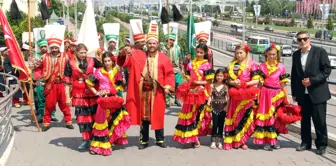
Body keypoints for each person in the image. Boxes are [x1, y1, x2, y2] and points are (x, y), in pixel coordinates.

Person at [117, 20, 175, 150]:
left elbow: (170, 75)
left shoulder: (164, 58)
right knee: (144, 117)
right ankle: (143, 141)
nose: (152, 45)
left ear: (157, 44)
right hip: (142, 93)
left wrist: (168, 86)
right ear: (146, 44)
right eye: (149, 43)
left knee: (158, 115)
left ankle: (160, 139)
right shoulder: (137, 54)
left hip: (157, 93)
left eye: (154, 43)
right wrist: (123, 52)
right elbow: (123, 63)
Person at [291, 31, 331, 155]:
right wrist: (294, 92)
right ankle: (305, 142)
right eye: (299, 39)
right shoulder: (296, 54)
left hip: (317, 92)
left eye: (304, 39)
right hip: (303, 94)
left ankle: (321, 145)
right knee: (304, 119)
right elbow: (294, 75)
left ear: (310, 39)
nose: (302, 41)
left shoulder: (320, 52)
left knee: (320, 121)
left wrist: (312, 81)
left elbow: (326, 70)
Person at [86, 51, 131, 156]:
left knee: (114, 119)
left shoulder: (117, 71)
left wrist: (111, 91)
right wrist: (96, 92)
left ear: (112, 60)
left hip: (114, 99)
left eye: (109, 61)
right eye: (105, 61)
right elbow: (89, 83)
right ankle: (97, 147)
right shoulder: (98, 72)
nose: (107, 63)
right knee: (101, 122)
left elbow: (120, 87)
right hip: (102, 101)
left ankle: (109, 141)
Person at [172, 43, 214, 148]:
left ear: (205, 53)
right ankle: (190, 137)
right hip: (191, 92)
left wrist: (198, 83)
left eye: (201, 52)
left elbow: (209, 82)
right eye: (198, 52)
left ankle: (196, 138)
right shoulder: (191, 64)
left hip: (201, 92)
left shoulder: (207, 65)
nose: (199, 54)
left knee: (198, 116)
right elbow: (187, 75)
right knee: (189, 115)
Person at [63, 43, 102, 149]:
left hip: (92, 92)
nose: (83, 54)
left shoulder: (93, 60)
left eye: (85, 52)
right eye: (81, 53)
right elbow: (66, 82)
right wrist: (67, 97)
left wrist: (96, 78)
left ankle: (97, 139)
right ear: (76, 52)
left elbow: (103, 70)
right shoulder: (69, 63)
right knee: (82, 118)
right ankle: (86, 140)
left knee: (95, 116)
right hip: (79, 94)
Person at [253, 43, 290, 151]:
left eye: (274, 54)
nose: (272, 56)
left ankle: (274, 140)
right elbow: (260, 83)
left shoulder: (281, 67)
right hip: (265, 93)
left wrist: (287, 97)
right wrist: (257, 95)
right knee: (266, 118)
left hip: (277, 95)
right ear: (266, 54)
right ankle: (267, 141)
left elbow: (283, 83)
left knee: (275, 118)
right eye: (270, 54)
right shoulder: (262, 66)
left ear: (277, 55)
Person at [224, 44, 260, 150]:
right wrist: (233, 82)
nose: (239, 55)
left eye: (241, 53)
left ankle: (242, 140)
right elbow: (226, 80)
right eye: (237, 53)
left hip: (246, 95)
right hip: (234, 96)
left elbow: (257, 80)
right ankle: (233, 139)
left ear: (246, 53)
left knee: (244, 117)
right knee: (234, 117)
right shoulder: (232, 65)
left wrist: (245, 84)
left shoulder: (252, 65)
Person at [39, 25, 74, 131]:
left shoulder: (66, 56)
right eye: (52, 48)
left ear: (59, 47)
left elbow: (73, 64)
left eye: (56, 47)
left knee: (64, 103)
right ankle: (46, 123)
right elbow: (35, 67)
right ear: (50, 48)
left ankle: (68, 121)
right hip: (50, 84)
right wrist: (31, 62)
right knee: (49, 104)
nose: (54, 49)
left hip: (63, 83)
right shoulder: (44, 56)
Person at [31, 29, 58, 122]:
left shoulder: (53, 55)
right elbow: (31, 67)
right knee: (40, 99)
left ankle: (52, 115)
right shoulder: (36, 56)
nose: (43, 48)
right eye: (41, 47)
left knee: (52, 99)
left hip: (51, 80)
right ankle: (42, 115)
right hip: (39, 80)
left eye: (45, 46)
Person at [208, 68, 229, 149]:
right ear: (215, 76)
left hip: (223, 108)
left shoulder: (226, 86)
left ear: (224, 77)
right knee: (215, 125)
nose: (219, 77)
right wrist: (208, 104)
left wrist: (227, 107)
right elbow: (210, 96)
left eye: (221, 76)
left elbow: (228, 97)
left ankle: (220, 141)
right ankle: (213, 141)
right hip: (214, 108)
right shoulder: (212, 85)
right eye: (218, 75)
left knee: (221, 125)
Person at [162, 23, 182, 107]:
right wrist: (167, 48)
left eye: (173, 40)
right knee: (168, 85)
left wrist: (182, 68)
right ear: (167, 40)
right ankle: (167, 100)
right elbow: (162, 56)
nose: (171, 41)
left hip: (177, 70)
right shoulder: (163, 47)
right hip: (167, 70)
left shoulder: (178, 48)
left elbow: (180, 58)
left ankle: (177, 99)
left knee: (178, 85)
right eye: (170, 39)